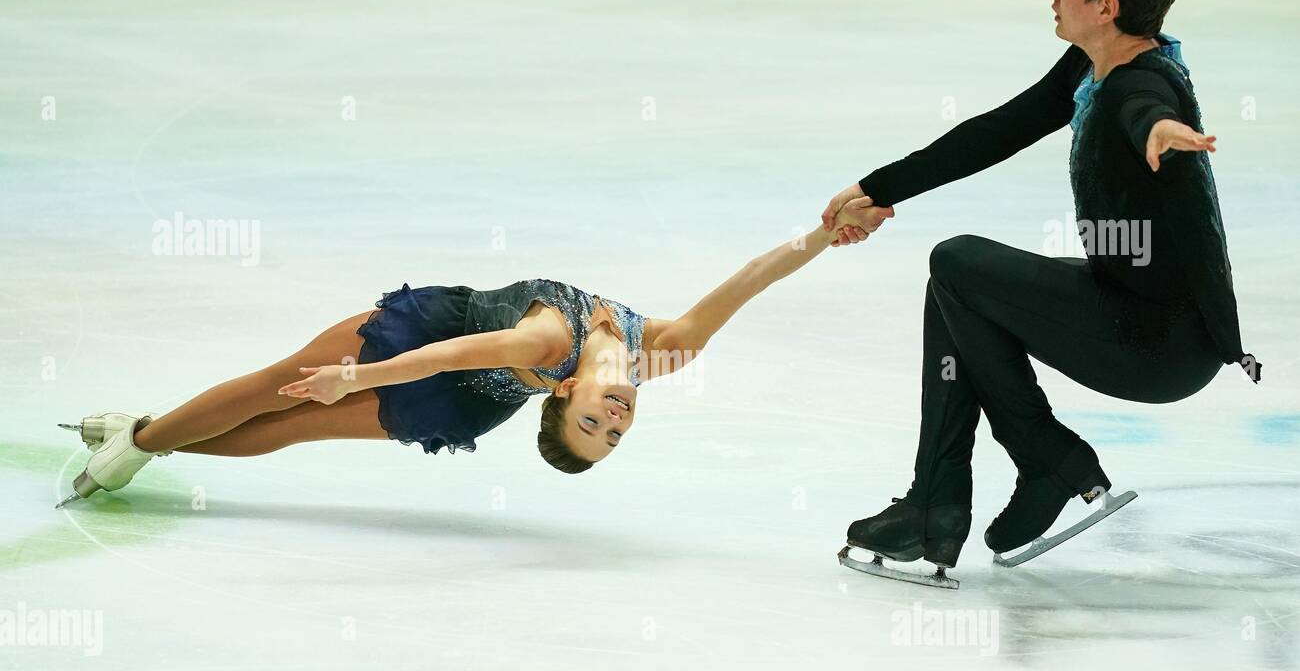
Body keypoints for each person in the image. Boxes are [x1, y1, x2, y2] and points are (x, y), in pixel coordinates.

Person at [820, 0, 1259, 581]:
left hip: (1163, 343)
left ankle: (1049, 460)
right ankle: (935, 509)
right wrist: (877, 190)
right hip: (1131, 304)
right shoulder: (1098, 63)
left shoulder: (1142, 86)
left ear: (1106, 6)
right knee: (956, 285)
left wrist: (1164, 130)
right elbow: (999, 131)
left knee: (958, 262)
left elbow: (1150, 108)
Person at [56, 206, 889, 506]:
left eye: (594, 428)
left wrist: (359, 375)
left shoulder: (550, 343)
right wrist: (826, 232)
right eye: (615, 431)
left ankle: (136, 443)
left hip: (439, 363)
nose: (615, 420)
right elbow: (750, 279)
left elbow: (453, 352)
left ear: (560, 399)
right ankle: (144, 434)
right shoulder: (663, 352)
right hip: (445, 350)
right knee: (281, 392)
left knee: (291, 410)